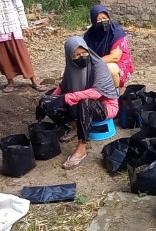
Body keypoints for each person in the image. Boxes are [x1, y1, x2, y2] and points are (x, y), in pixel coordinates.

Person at [37, 36, 119, 169]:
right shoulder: (71, 68)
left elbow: (96, 93)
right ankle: (75, 127)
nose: (82, 57)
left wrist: (65, 98)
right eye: (77, 55)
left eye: (84, 53)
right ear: (70, 57)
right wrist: (45, 103)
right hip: (80, 103)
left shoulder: (99, 65)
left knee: (84, 102)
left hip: (105, 106)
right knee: (47, 100)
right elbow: (62, 88)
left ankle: (81, 148)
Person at [83, 4, 135, 91]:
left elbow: (115, 57)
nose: (103, 21)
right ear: (93, 21)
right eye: (99, 19)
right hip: (98, 62)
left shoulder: (116, 32)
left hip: (119, 64)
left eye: (105, 18)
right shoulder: (89, 35)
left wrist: (94, 62)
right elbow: (83, 52)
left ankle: (116, 95)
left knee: (110, 69)